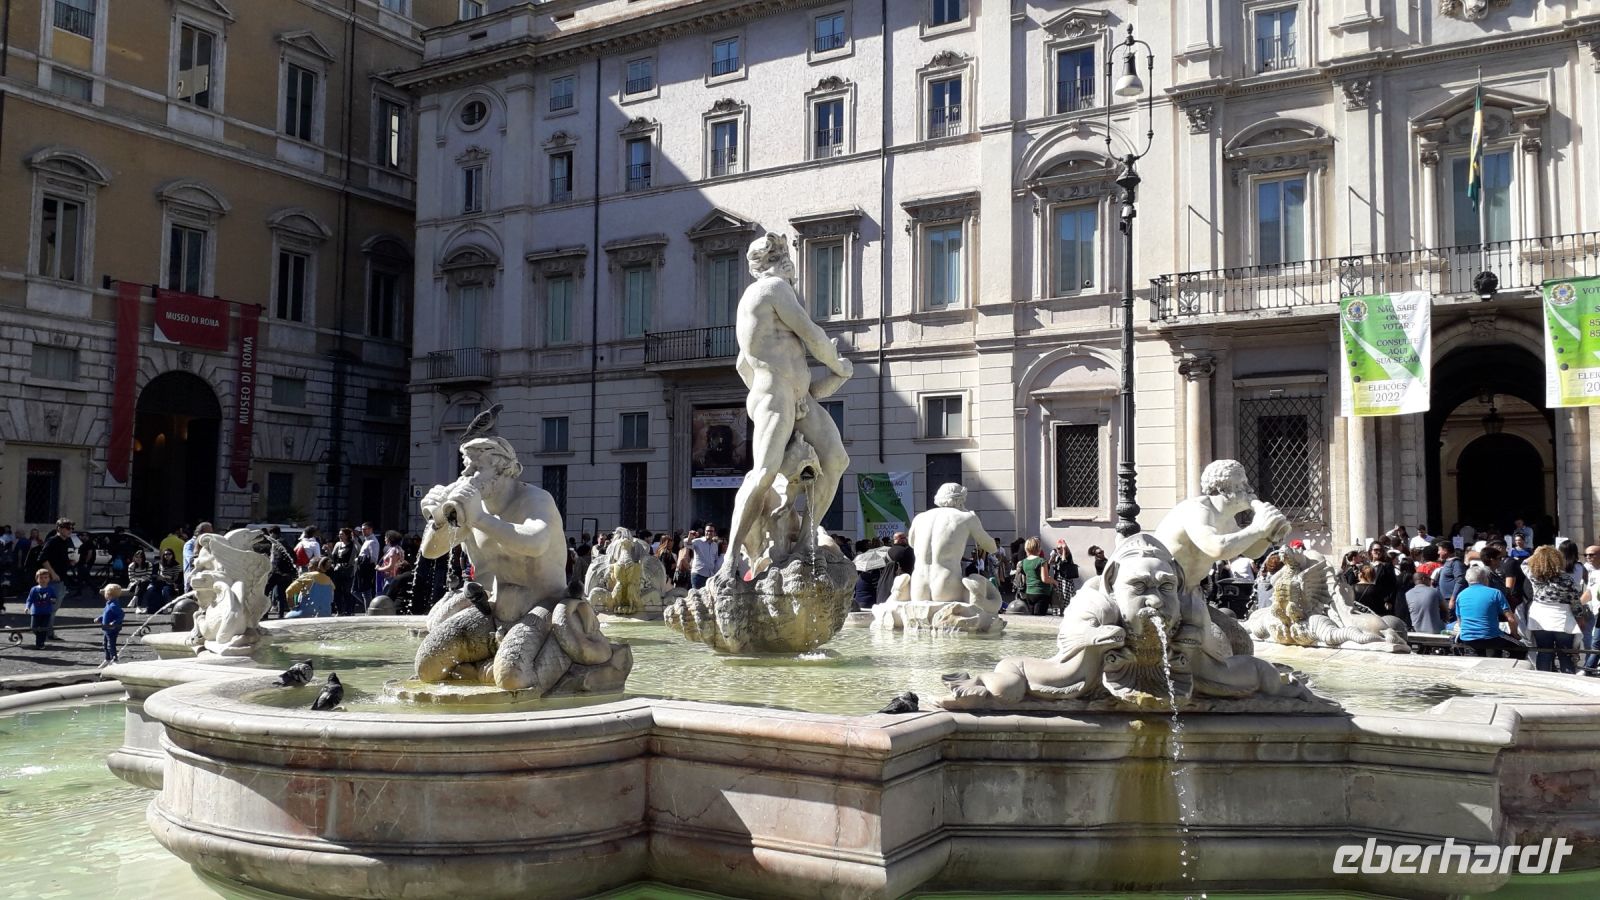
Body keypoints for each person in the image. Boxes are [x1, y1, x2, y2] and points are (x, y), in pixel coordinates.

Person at [719, 234, 852, 579]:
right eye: (781, 253)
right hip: (776, 393)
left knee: (836, 458)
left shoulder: (765, 299)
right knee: (763, 473)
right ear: (775, 261)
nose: (788, 260)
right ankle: (731, 557)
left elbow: (740, 365)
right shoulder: (773, 287)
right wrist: (837, 363)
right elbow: (812, 334)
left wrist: (832, 380)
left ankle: (807, 536)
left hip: (794, 396)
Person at [1525, 545, 1585, 674]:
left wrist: (1539, 553)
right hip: (1561, 617)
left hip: (1539, 616)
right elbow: (1575, 601)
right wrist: (1580, 617)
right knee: (1565, 654)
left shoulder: (1534, 576)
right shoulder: (1566, 579)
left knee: (1544, 651)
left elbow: (1525, 562)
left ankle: (1543, 682)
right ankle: (1567, 683)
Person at [1454, 564, 1524, 658]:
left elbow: (1460, 622)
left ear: (1467, 579)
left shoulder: (1460, 595)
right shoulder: (1495, 593)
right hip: (1491, 636)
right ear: (1485, 578)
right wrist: (1514, 634)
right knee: (1521, 648)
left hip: (1467, 638)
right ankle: (1508, 669)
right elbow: (1511, 618)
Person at [1015, 537, 1055, 617]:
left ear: (1026, 549)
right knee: (1040, 618)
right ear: (1038, 548)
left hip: (1029, 593)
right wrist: (1054, 581)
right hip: (1042, 592)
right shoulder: (1041, 561)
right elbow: (1045, 579)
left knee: (1032, 617)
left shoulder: (1023, 562)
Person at [40, 518, 78, 596]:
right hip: (51, 577)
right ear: (59, 529)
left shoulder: (67, 541)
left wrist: (70, 561)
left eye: (72, 528)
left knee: (56, 602)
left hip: (62, 576)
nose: (70, 530)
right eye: (68, 528)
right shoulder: (52, 541)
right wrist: (53, 573)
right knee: (48, 603)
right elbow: (42, 558)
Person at [24, 569, 59, 649]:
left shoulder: (50, 589)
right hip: (35, 612)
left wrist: (53, 600)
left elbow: (54, 597)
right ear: (37, 579)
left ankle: (40, 643)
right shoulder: (34, 589)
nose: (43, 580)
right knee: (34, 627)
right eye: (41, 578)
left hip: (46, 612)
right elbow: (29, 599)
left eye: (45, 577)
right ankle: (40, 639)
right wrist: (27, 607)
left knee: (43, 628)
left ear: (49, 579)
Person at [328, 528, 359, 615]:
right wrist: (328, 550)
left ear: (347, 535)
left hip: (348, 570)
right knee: (337, 591)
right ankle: (339, 610)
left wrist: (355, 540)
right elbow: (333, 558)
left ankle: (349, 610)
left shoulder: (353, 544)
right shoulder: (338, 544)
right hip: (338, 570)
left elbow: (359, 551)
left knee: (348, 591)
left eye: (342, 534)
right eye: (339, 534)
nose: (340, 536)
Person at [95, 584, 126, 664]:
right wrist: (100, 618)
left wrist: (114, 622)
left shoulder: (113, 605)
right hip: (107, 628)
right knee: (105, 644)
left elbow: (121, 614)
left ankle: (114, 660)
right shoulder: (109, 604)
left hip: (112, 628)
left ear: (108, 594)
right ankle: (107, 659)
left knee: (111, 645)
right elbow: (106, 614)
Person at [183, 522, 213, 591]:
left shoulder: (209, 544)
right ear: (200, 533)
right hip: (192, 581)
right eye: (209, 533)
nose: (211, 535)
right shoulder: (189, 544)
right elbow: (191, 560)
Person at [378, 531, 406, 598]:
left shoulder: (393, 550)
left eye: (385, 538)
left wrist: (379, 568)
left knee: (385, 599)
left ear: (390, 539)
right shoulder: (398, 549)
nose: (384, 539)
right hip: (394, 577)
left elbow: (391, 566)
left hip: (391, 578)